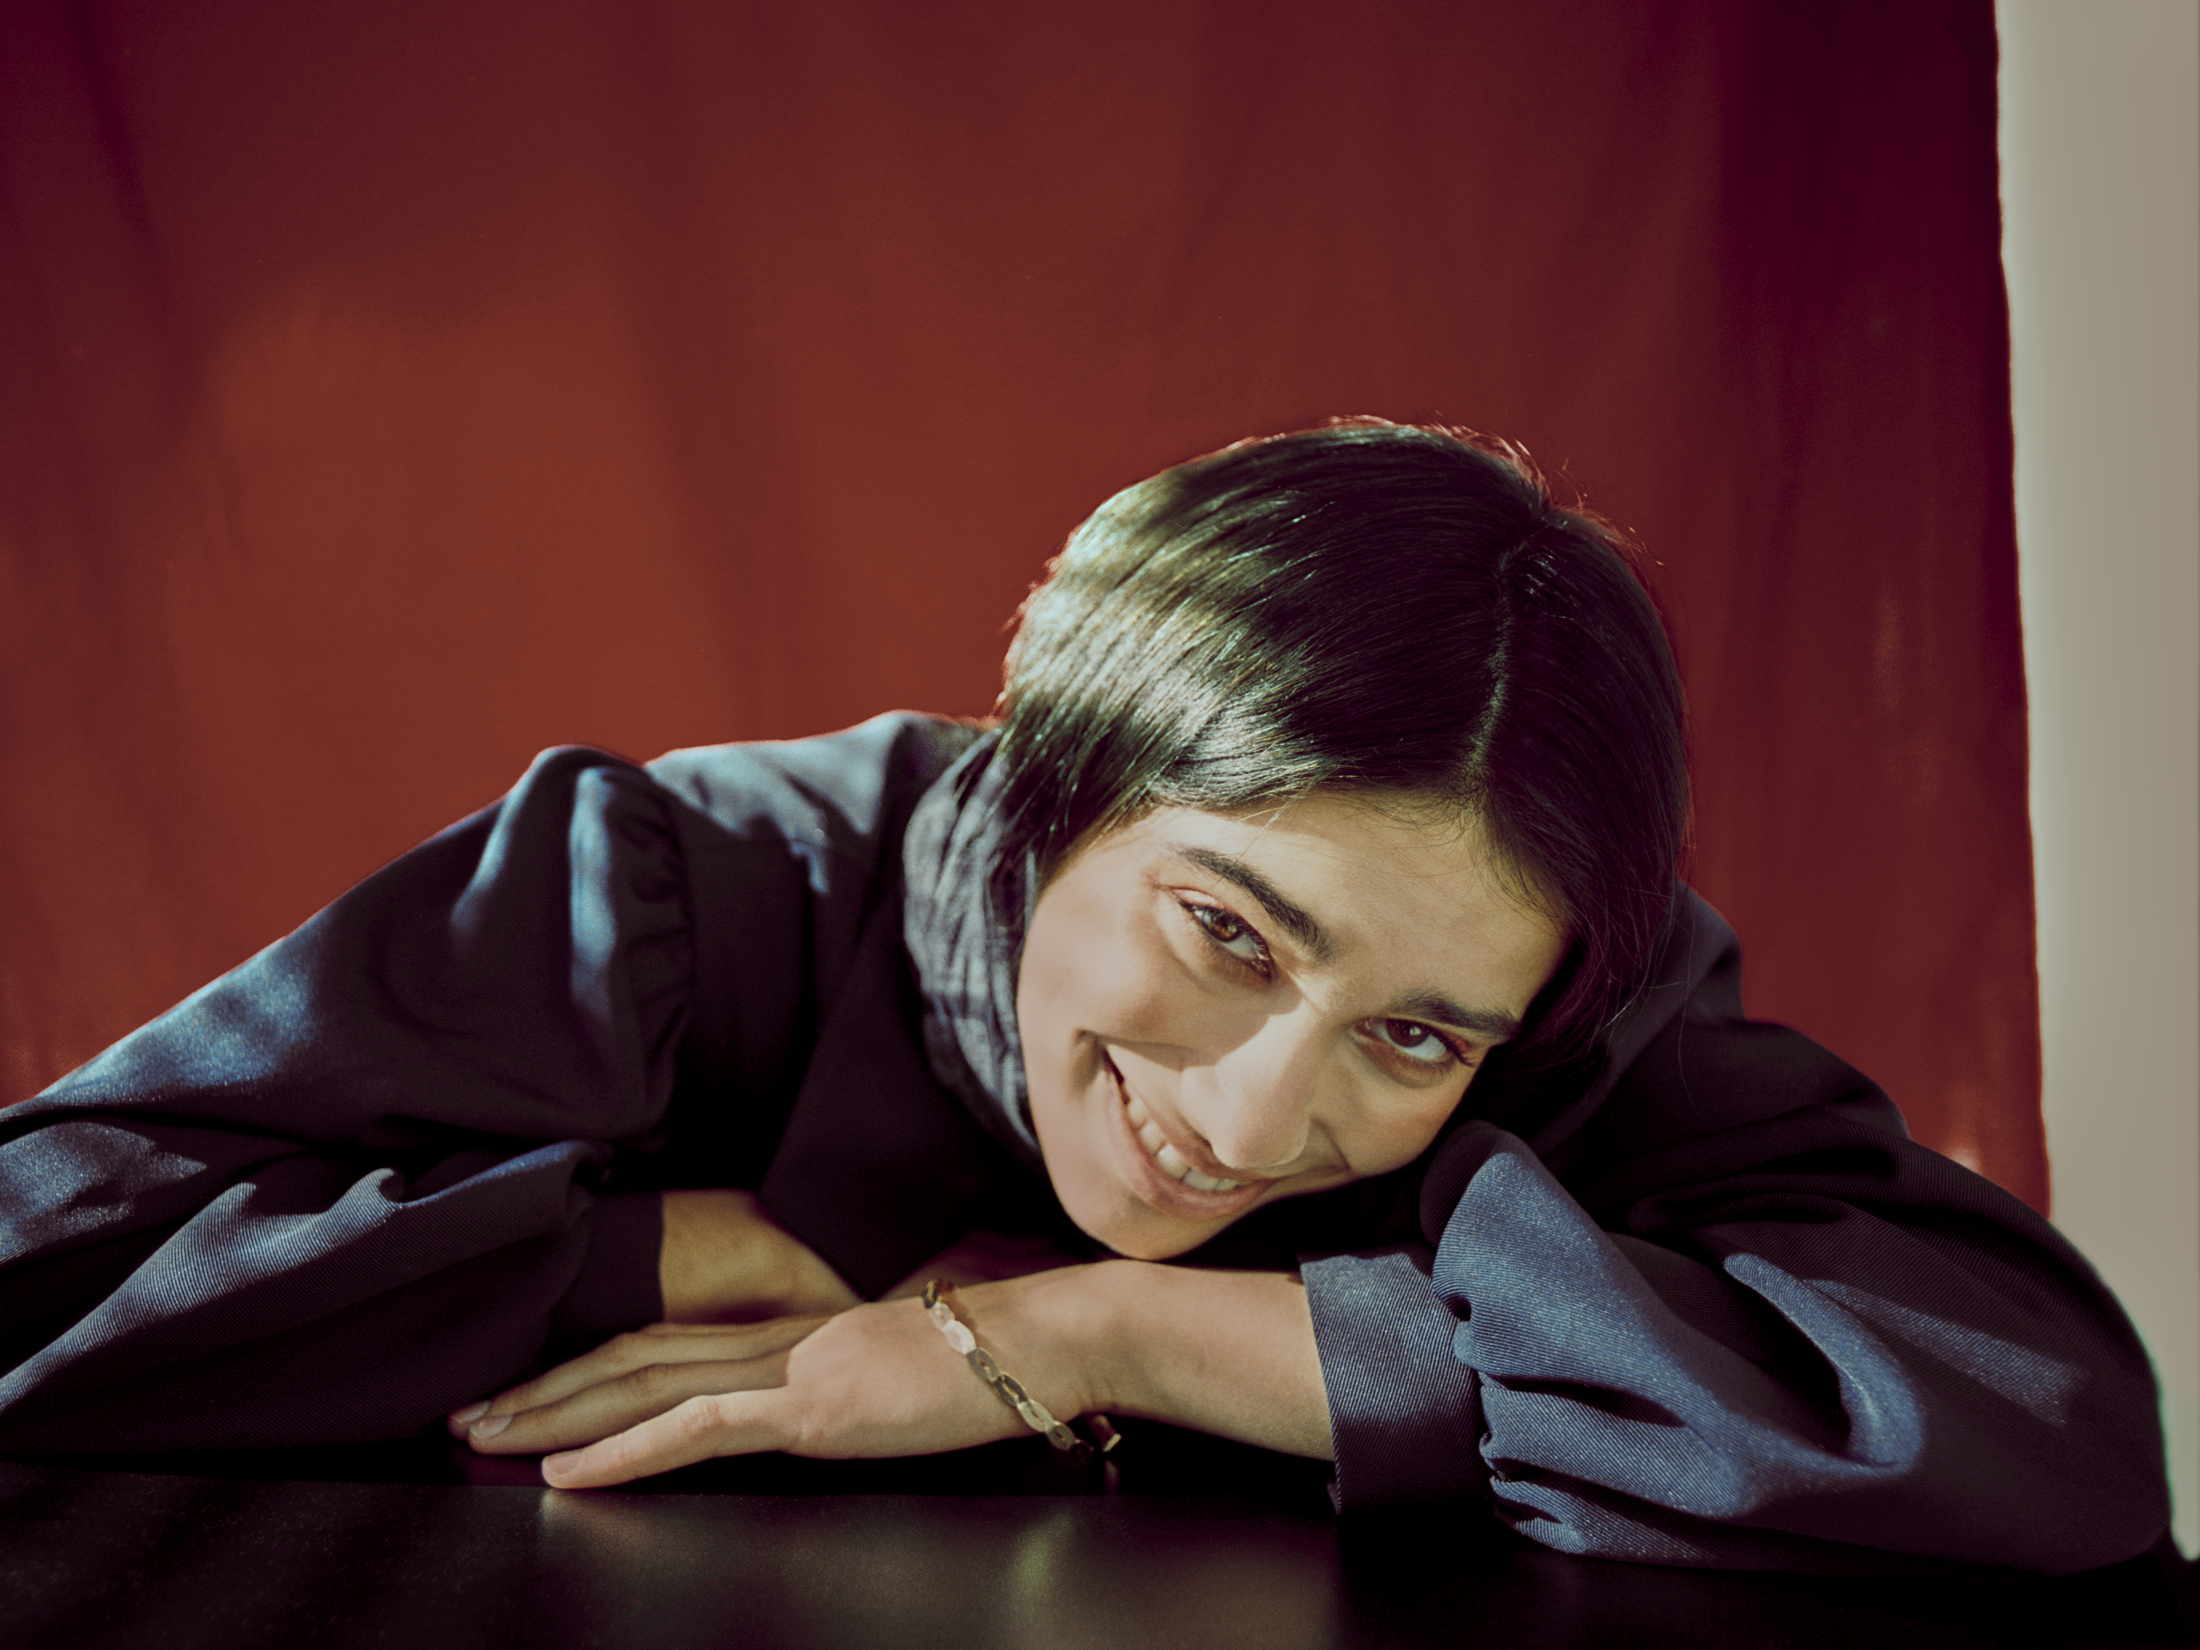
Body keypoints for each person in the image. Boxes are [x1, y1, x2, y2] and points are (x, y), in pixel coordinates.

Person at [0, 422, 2170, 1573]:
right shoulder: (684, 890)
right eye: (1230, 931)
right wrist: (670, 1248)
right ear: (1053, 784)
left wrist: (1104, 1328)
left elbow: (2042, 1432)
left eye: (1412, 1037)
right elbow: (37, 1257)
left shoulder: (1574, 1014)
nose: (1251, 1122)